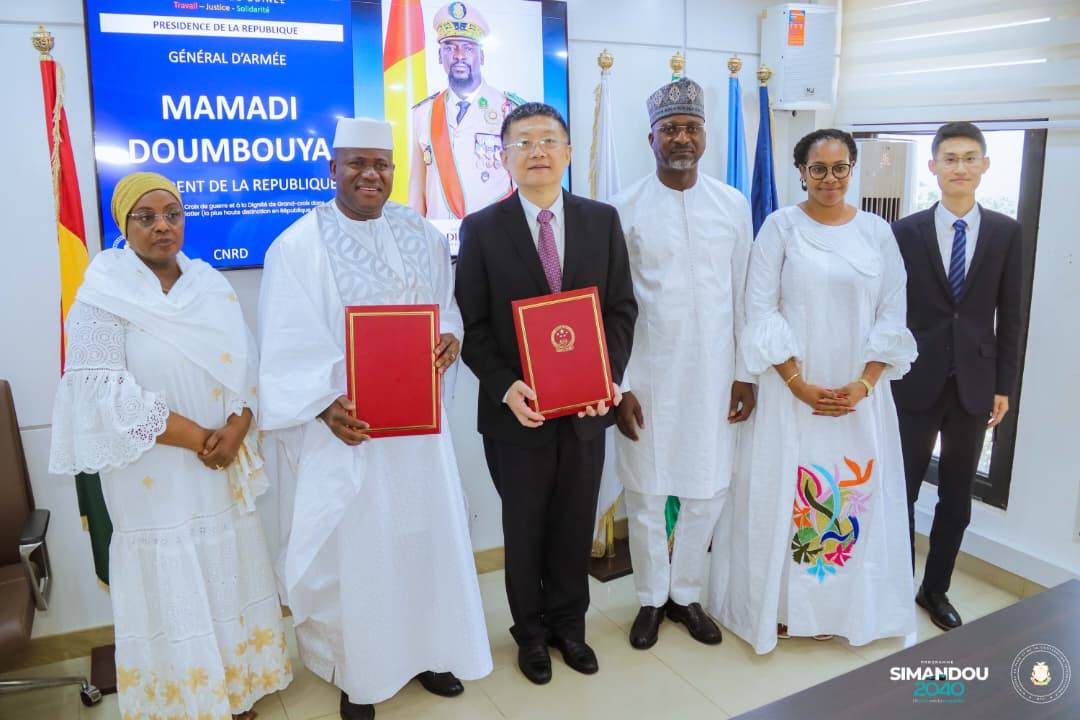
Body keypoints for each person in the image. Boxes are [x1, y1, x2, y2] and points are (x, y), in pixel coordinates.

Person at [257, 118, 491, 720]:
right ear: (332, 169)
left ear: (393, 169)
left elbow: (446, 309)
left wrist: (451, 336)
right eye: (356, 163)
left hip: (418, 434)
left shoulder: (421, 233)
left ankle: (430, 651)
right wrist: (322, 406)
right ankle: (359, 674)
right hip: (350, 432)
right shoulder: (297, 247)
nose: (370, 174)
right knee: (359, 552)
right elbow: (284, 342)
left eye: (381, 164)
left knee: (424, 538)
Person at [49, 172, 290, 719]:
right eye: (147, 216)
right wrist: (201, 438)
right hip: (151, 472)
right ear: (124, 224)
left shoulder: (209, 284)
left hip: (220, 464)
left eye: (173, 214)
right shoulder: (100, 296)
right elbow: (103, 396)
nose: (162, 225)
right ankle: (187, 700)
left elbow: (246, 363)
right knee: (174, 577)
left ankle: (234, 690)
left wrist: (238, 425)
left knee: (224, 569)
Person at [708, 129, 917, 654]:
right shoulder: (780, 227)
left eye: (840, 167)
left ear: (852, 169)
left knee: (853, 494)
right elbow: (759, 310)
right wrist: (797, 384)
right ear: (801, 172)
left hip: (857, 398)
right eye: (818, 169)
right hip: (792, 395)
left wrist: (864, 384)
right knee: (783, 492)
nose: (830, 179)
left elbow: (892, 313)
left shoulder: (877, 233)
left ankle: (839, 609)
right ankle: (779, 609)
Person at [455, 102, 637, 684]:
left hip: (586, 410)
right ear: (504, 156)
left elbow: (621, 309)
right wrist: (505, 387)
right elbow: (472, 325)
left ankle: (570, 627)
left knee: (574, 523)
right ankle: (530, 634)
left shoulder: (601, 220)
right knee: (525, 527)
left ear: (567, 152)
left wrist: (607, 378)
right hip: (517, 415)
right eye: (524, 142)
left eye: (549, 140)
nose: (537, 151)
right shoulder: (481, 229)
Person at [611, 77, 754, 651]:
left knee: (707, 489)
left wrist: (746, 373)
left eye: (692, 128)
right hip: (647, 375)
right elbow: (611, 305)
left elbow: (745, 294)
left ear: (706, 136)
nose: (682, 138)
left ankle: (686, 594)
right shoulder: (622, 208)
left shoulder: (733, 204)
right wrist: (619, 385)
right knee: (646, 493)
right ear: (650, 138)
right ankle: (650, 598)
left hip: (716, 375)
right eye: (670, 128)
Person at [892, 122, 1022, 631]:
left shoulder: (1006, 232)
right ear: (934, 167)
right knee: (900, 492)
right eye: (950, 159)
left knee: (956, 498)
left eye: (970, 158)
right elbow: (890, 310)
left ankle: (935, 589)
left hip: (975, 384)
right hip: (913, 381)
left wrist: (1004, 385)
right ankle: (895, 587)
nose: (960, 168)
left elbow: (1012, 314)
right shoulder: (905, 232)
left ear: (984, 165)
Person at [409, 2, 525, 220]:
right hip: (440, 236)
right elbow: (417, 191)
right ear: (439, 56)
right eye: (450, 47)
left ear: (482, 56)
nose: (459, 55)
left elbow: (523, 186)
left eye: (468, 47)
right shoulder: (423, 113)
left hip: (495, 234)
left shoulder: (510, 110)